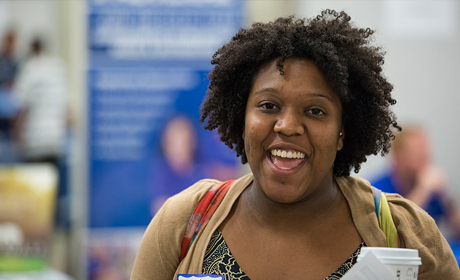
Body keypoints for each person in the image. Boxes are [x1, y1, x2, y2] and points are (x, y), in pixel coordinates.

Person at [131, 10, 459, 280]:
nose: (287, 126)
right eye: (268, 106)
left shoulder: (404, 232)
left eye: (315, 111)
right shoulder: (184, 222)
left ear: (343, 130)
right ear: (241, 119)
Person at [372, 126, 460, 241]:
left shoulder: (433, 187)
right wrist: (423, 190)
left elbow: (457, 229)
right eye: (417, 152)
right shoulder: (376, 189)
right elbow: (397, 229)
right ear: (399, 157)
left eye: (425, 151)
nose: (424, 157)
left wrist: (446, 196)